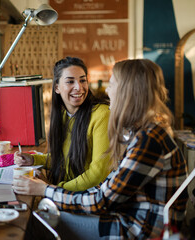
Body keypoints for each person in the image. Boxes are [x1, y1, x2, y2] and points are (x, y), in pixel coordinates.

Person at [13, 59, 188, 239]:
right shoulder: (144, 133)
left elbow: (101, 200)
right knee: (44, 215)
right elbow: (106, 188)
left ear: (128, 92)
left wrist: (46, 190)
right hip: (127, 216)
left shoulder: (149, 140)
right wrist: (50, 189)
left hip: (139, 230)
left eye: (111, 84)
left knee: (38, 222)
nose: (107, 91)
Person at [14, 57, 111, 192]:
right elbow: (64, 160)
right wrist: (33, 160)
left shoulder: (102, 114)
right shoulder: (64, 114)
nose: (79, 87)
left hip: (89, 198)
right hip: (66, 194)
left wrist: (52, 189)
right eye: (70, 81)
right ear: (57, 88)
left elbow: (97, 174)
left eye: (83, 80)